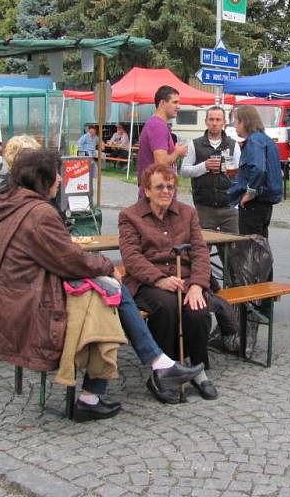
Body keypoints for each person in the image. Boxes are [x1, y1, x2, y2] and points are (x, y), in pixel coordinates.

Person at [0, 149, 124, 421]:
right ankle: (95, 394)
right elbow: (69, 260)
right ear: (41, 179)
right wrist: (107, 266)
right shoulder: (38, 214)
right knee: (112, 293)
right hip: (33, 307)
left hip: (7, 303)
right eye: (55, 174)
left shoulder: (2, 206)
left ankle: (156, 362)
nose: (60, 180)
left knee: (114, 291)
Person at [119, 164, 218, 401]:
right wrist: (159, 279)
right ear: (147, 190)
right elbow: (131, 258)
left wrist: (197, 285)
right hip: (148, 282)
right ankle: (163, 371)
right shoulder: (130, 216)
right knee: (167, 306)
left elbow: (200, 252)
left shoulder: (187, 213)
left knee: (197, 310)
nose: (166, 191)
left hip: (185, 280)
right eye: (159, 187)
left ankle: (198, 369)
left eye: (170, 187)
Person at [180, 106, 240, 235]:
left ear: (224, 122)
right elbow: (184, 171)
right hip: (204, 207)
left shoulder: (233, 144)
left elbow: (240, 174)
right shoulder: (194, 144)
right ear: (206, 121)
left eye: (218, 120)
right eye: (211, 119)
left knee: (234, 252)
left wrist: (227, 170)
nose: (214, 123)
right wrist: (204, 167)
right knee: (202, 251)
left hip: (229, 208)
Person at [227, 105, 283, 238]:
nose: (235, 126)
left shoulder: (254, 141)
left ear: (244, 122)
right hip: (266, 202)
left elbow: (258, 169)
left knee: (251, 248)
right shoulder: (265, 139)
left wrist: (250, 193)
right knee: (260, 247)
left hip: (254, 204)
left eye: (236, 121)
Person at [136, 86, 188, 197]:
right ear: (163, 103)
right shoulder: (158, 125)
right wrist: (177, 153)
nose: (178, 106)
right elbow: (161, 162)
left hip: (159, 194)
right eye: (175, 102)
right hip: (157, 197)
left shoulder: (158, 124)